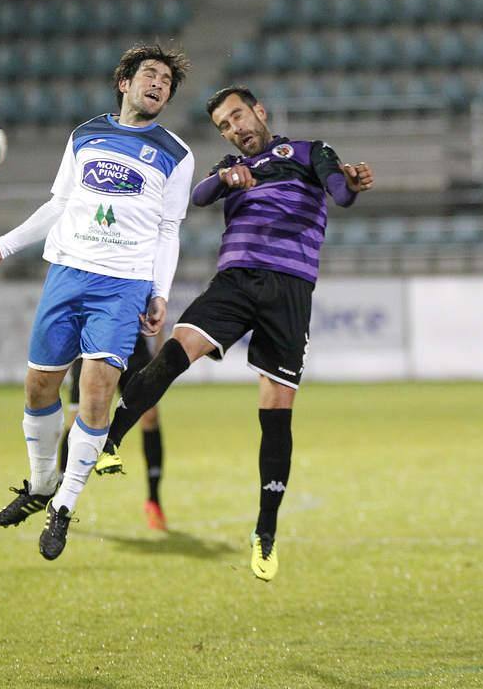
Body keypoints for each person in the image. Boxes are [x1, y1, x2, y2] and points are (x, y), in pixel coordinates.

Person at [94, 85, 374, 581]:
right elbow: (201, 196)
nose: (235, 128)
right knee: (175, 355)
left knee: (276, 409)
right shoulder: (228, 166)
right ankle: (110, 438)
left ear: (259, 112)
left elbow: (341, 192)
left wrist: (350, 180)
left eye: (239, 116)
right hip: (237, 280)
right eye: (224, 124)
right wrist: (227, 177)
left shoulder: (309, 152)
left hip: (289, 291)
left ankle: (265, 532)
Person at [0, 44, 193, 560]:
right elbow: (60, 205)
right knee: (39, 386)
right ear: (125, 82)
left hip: (123, 284)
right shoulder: (85, 134)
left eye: (166, 81)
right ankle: (43, 482)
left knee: (96, 394)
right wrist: (2, 246)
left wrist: (160, 291)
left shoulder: (175, 152)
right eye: (150, 75)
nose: (158, 84)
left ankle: (63, 507)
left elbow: (169, 229)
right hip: (67, 273)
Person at [62, 333, 167, 531]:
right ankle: (60, 498)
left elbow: (155, 307)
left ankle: (154, 501)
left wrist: (158, 347)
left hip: (133, 343)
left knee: (150, 414)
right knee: (77, 418)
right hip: (94, 343)